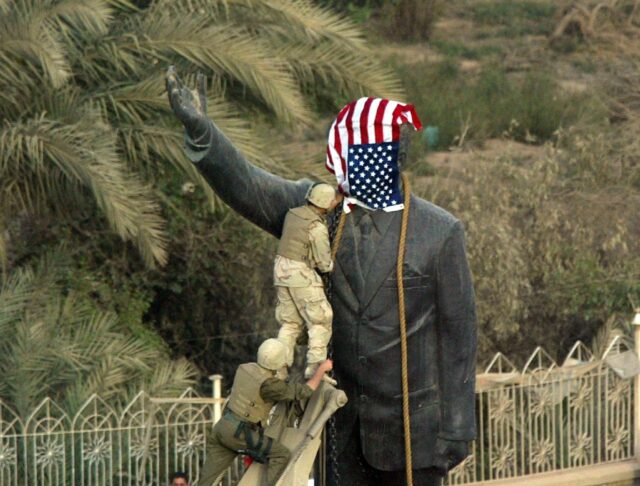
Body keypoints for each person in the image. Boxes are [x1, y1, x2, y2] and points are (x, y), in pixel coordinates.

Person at [167, 68, 477, 486]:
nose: (360, 164)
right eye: (354, 152)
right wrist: (203, 134)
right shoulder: (315, 213)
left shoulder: (439, 232)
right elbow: (250, 187)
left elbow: (458, 337)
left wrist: (457, 427)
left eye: (373, 152)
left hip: (412, 435)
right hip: (336, 430)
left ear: (396, 157)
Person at [198, 339, 333, 486]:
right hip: (241, 433)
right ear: (279, 361)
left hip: (222, 428)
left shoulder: (245, 368)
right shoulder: (269, 385)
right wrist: (321, 370)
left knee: (207, 482)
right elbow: (304, 391)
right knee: (281, 454)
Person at [275, 182, 340, 383]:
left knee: (290, 324)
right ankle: (315, 368)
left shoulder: (292, 214)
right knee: (321, 318)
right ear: (325, 203)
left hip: (280, 271)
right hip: (300, 275)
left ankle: (278, 369)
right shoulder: (317, 227)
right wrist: (331, 265)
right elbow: (323, 263)